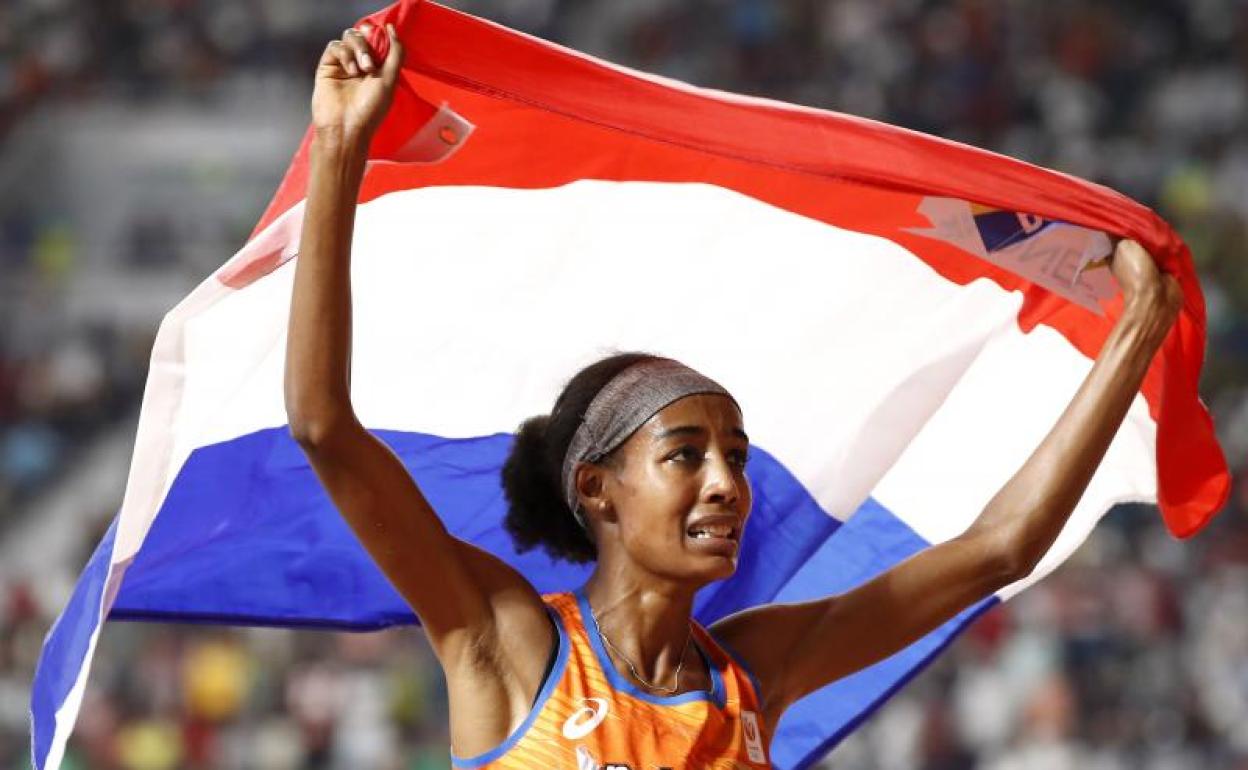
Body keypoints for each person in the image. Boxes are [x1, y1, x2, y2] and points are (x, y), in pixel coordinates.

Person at [283, 22, 1183, 770]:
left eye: (736, 457)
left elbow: (998, 549)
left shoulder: (755, 672)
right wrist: (340, 146)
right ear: (598, 488)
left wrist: (1136, 332)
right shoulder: (509, 643)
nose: (726, 484)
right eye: (685, 455)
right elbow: (323, 426)